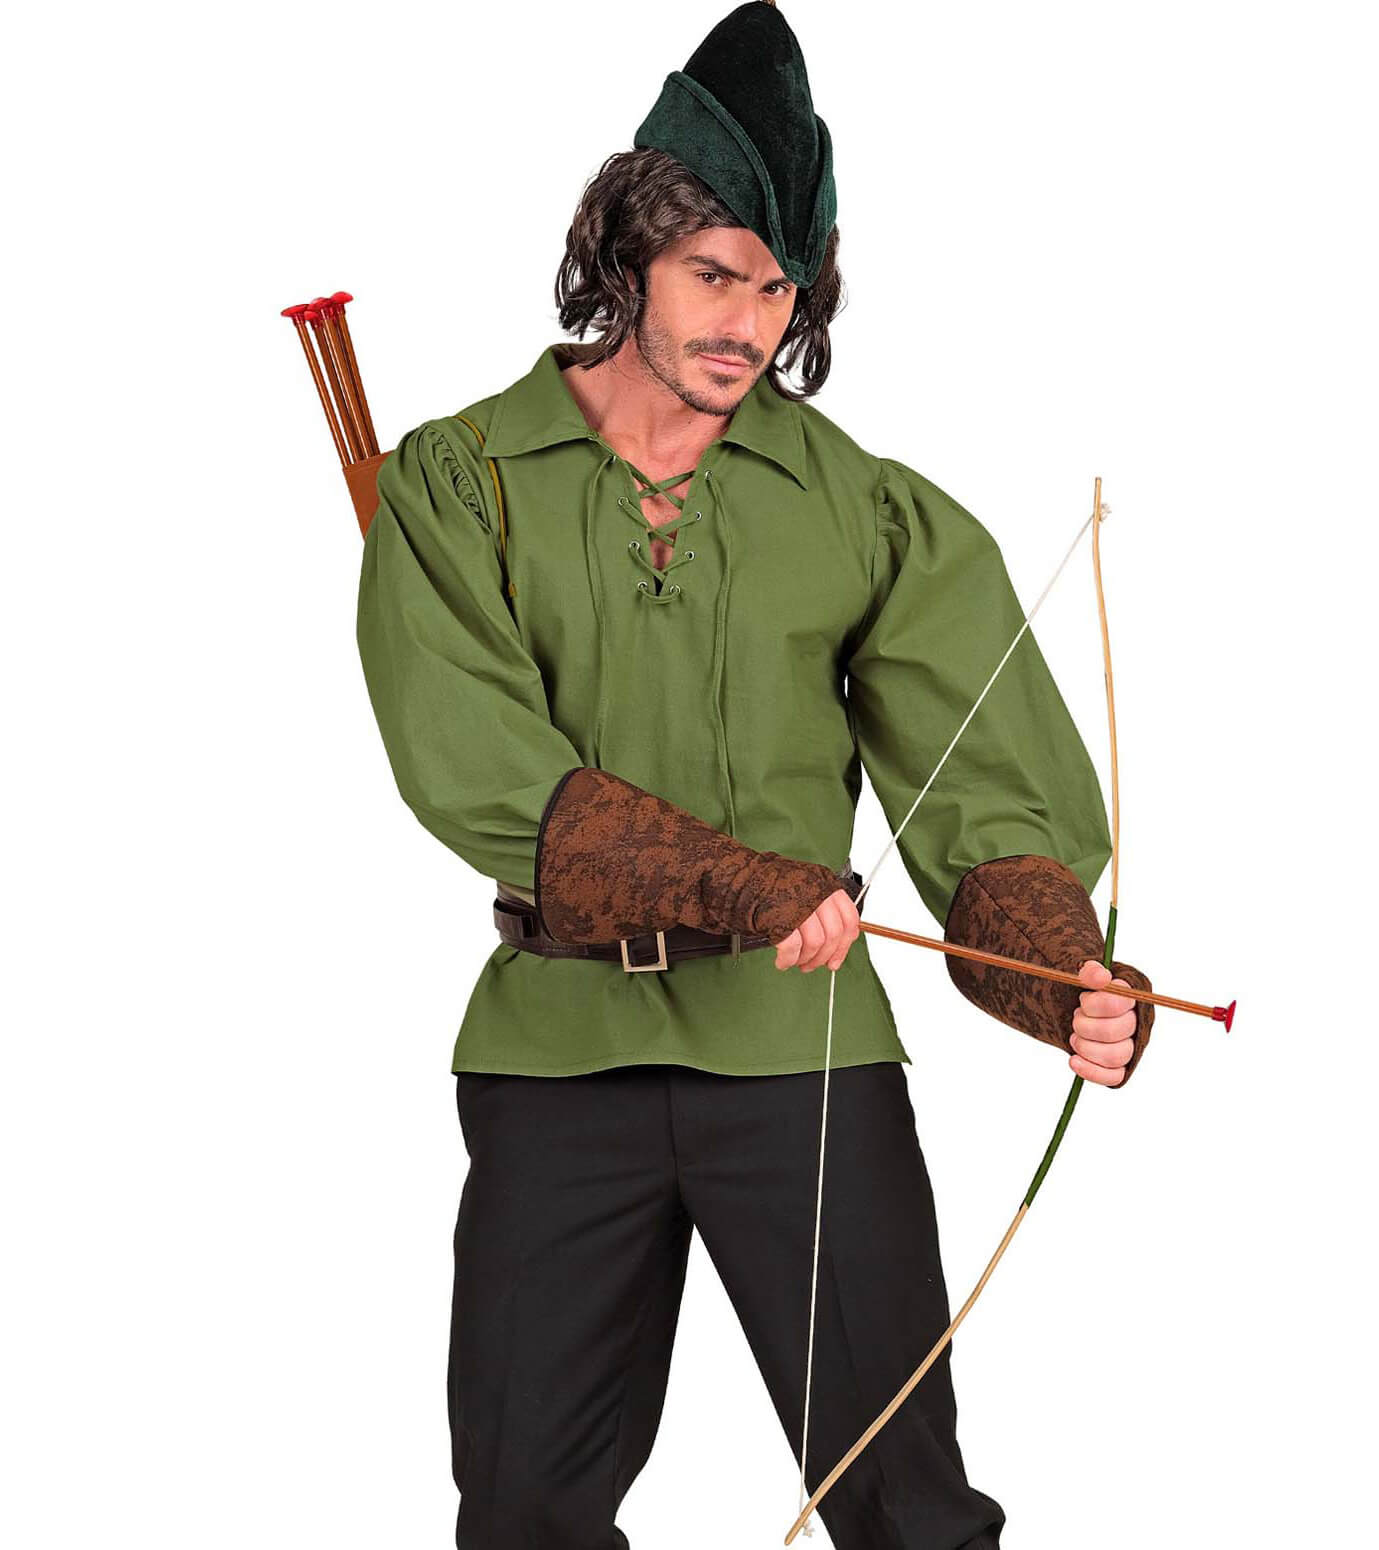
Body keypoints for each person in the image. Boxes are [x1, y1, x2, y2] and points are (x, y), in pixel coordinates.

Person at [355, 5, 1154, 1545]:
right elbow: (474, 765)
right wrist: (747, 882)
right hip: (556, 1056)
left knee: (905, 1507)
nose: (748, 320)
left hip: (804, 1057)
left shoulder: (864, 507)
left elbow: (981, 789)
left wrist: (1063, 976)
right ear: (627, 259)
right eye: (714, 274)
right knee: (521, 1508)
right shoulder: (457, 482)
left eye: (777, 285)